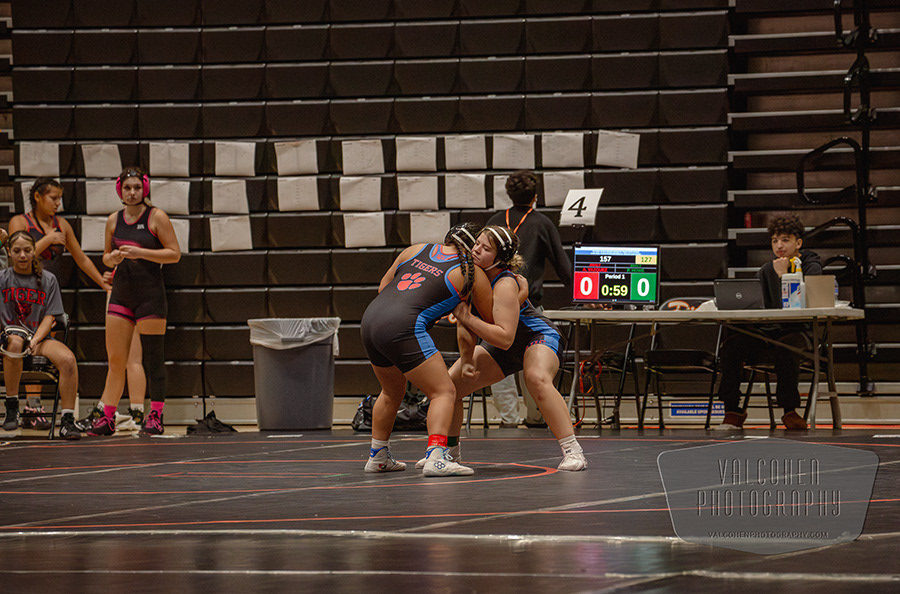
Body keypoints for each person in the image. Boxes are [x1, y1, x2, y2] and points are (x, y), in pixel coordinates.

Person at [435, 225, 587, 471]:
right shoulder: (469, 276)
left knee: (536, 378)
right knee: (450, 386)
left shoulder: (506, 283)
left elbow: (503, 337)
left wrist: (469, 318)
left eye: (486, 248)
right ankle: (448, 453)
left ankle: (573, 450)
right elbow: (466, 326)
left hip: (534, 335)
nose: (476, 250)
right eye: (477, 244)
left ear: (500, 258)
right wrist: (467, 359)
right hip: (502, 342)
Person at [361, 223, 494, 477]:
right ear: (473, 247)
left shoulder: (416, 249)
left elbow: (383, 287)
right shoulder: (472, 272)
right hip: (404, 326)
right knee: (444, 391)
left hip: (371, 320)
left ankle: (378, 456)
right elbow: (490, 320)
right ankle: (437, 457)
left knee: (391, 392)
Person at [7, 178, 111, 430]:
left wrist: (103, 283)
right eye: (53, 198)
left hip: (47, 294)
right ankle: (30, 407)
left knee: (42, 348)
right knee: (20, 345)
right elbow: (18, 253)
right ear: (37, 197)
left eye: (59, 198)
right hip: (20, 295)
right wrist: (48, 239)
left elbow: (81, 258)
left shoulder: (61, 224)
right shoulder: (20, 222)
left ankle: (49, 412)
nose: (58, 203)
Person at [87, 167, 180, 436]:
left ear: (145, 189)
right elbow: (106, 257)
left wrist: (141, 252)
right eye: (127, 188)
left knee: (153, 360)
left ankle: (156, 415)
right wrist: (113, 258)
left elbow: (174, 254)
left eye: (137, 187)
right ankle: (107, 417)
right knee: (116, 361)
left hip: (150, 296)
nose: (132, 192)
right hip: (121, 295)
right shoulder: (113, 220)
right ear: (120, 190)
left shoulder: (156, 217)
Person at [715, 214, 823, 431]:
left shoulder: (812, 267)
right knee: (732, 346)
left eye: (785, 240)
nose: (779, 245)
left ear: (798, 243)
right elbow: (756, 303)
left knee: (786, 346)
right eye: (775, 241)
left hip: (800, 332)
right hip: (768, 332)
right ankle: (732, 409)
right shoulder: (765, 270)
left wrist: (783, 277)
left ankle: (789, 410)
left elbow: (804, 305)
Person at [485, 171, 573, 428]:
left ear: (508, 194)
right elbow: (563, 266)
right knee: (533, 361)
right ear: (535, 197)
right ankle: (536, 417)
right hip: (529, 305)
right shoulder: (542, 223)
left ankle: (508, 418)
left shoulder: (494, 221)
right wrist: (585, 297)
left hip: (495, 304)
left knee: (496, 358)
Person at [1, 231, 81, 439]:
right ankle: (12, 407)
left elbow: (50, 316)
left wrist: (35, 339)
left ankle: (67, 421)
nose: (22, 255)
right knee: (15, 342)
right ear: (9, 252)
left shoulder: (48, 279)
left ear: (34, 251)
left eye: (27, 250)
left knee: (68, 359)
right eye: (17, 251)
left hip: (39, 338)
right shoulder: (2, 279)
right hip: (9, 339)